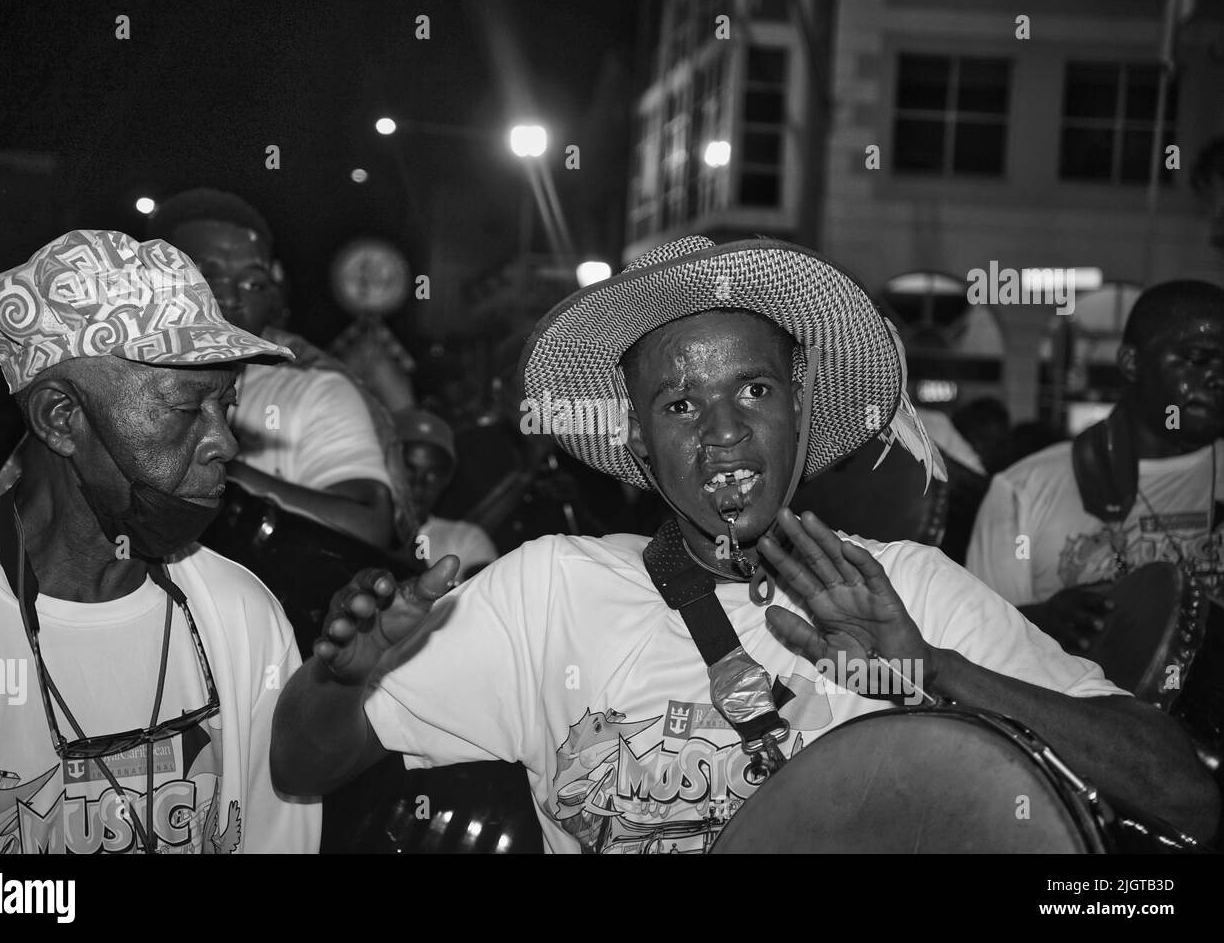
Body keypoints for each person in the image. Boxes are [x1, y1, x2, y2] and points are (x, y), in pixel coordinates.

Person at [272, 237, 1217, 853]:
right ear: (638, 444)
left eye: (754, 392)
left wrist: (939, 673)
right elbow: (304, 768)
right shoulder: (545, 594)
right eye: (680, 405)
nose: (723, 434)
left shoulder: (911, 592)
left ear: (802, 408)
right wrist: (338, 682)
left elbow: (1187, 797)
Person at [0, 230, 321, 853]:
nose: (226, 444)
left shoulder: (245, 616)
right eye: (188, 408)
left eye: (228, 406)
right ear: (61, 418)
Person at [967, 280, 1224, 654]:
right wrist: (1039, 623)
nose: (1219, 379)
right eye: (1197, 359)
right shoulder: (1024, 489)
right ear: (1132, 363)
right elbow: (975, 640)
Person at [149, 188, 395, 548]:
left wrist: (216, 468)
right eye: (207, 276)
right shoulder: (109, 378)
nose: (230, 297)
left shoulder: (311, 390)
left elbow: (368, 527)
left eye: (253, 282)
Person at [395, 408, 497, 577]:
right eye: (409, 469)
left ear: (447, 478)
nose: (419, 484)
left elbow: (487, 597)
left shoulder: (466, 539)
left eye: (432, 474)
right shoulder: (360, 523)